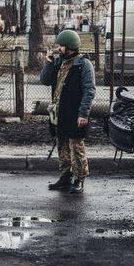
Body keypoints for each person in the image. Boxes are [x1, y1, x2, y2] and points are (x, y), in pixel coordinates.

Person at [40, 30, 95, 194]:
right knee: (62, 144)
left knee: (76, 146)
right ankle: (65, 176)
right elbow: (45, 80)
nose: (58, 48)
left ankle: (79, 179)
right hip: (58, 112)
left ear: (69, 47)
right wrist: (49, 62)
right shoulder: (58, 62)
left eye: (61, 46)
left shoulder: (83, 65)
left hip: (75, 112)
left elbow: (89, 90)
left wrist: (83, 114)